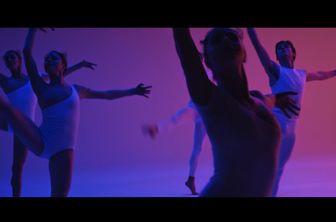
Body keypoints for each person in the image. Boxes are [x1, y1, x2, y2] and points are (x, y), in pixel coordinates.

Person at [0, 28, 152, 197]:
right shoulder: (40, 86)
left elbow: (106, 95)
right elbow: (27, 54)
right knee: (8, 110)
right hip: (40, 139)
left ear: (62, 65)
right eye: (46, 59)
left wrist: (132, 91)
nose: (48, 60)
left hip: (62, 151)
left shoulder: (77, 90)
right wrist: (32, 30)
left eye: (53, 58)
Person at [172, 28, 299, 197]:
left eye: (231, 36)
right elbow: (185, 48)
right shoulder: (211, 99)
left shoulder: (258, 100)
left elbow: (269, 99)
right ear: (207, 61)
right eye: (216, 40)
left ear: (244, 53)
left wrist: (278, 99)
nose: (225, 39)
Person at [0, 28, 97, 197]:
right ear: (6, 64)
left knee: (21, 168)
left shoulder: (36, 79)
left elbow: (60, 74)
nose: (11, 60)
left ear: (19, 61)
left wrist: (79, 65)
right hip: (18, 125)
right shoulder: (5, 82)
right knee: (16, 169)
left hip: (32, 128)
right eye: (8, 58)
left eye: (14, 57)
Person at [247, 28, 336, 196]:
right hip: (273, 126)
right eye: (279, 48)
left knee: (277, 171)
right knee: (266, 167)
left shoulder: (301, 74)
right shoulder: (275, 70)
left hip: (290, 133)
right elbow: (258, 48)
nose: (282, 49)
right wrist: (250, 30)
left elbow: (322, 74)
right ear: (277, 56)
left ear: (293, 53)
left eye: (285, 47)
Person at [142, 100, 205, 195]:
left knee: (197, 148)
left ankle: (191, 179)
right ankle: (191, 179)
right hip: (199, 110)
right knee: (176, 120)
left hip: (204, 113)